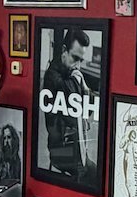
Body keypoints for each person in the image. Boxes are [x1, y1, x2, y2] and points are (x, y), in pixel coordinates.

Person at [41, 29, 96, 180]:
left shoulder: (73, 75)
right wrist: (79, 83)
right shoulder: (52, 75)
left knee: (97, 173)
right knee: (93, 176)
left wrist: (85, 88)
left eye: (81, 60)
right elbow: (69, 93)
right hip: (60, 150)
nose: (77, 65)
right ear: (64, 51)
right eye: (75, 58)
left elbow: (88, 111)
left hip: (76, 147)